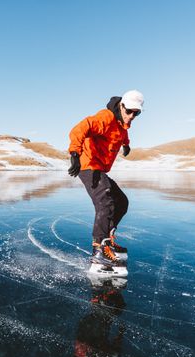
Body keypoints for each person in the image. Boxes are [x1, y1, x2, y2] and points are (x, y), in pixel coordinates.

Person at [67, 90, 144, 271]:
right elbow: (80, 128)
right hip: (87, 165)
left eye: (137, 113)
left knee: (121, 202)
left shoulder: (122, 123)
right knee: (105, 202)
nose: (132, 116)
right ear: (121, 106)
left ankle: (107, 240)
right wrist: (74, 153)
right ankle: (99, 250)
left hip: (99, 168)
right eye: (130, 111)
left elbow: (122, 134)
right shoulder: (106, 117)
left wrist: (126, 145)